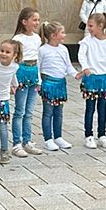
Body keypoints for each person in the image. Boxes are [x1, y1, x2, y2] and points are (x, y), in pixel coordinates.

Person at [78, 13, 106, 150]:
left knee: (102, 109)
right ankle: (88, 135)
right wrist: (85, 67)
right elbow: (81, 54)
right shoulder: (87, 41)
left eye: (91, 26)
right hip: (91, 79)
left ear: (100, 26)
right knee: (90, 108)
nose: (88, 28)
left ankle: (102, 135)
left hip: (104, 79)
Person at [11, 7, 45, 157]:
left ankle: (27, 140)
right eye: (34, 20)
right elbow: (13, 61)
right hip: (22, 73)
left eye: (38, 20)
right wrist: (13, 81)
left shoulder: (37, 38)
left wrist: (39, 79)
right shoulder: (18, 39)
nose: (37, 22)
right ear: (24, 22)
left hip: (33, 73)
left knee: (30, 111)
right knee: (20, 110)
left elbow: (38, 60)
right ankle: (17, 143)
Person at [38, 21, 77, 151]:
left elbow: (68, 66)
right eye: (62, 33)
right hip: (48, 83)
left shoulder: (63, 49)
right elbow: (38, 67)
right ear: (53, 35)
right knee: (48, 112)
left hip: (61, 84)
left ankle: (58, 137)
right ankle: (48, 139)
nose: (64, 35)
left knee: (59, 112)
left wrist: (77, 74)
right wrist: (38, 83)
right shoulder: (42, 50)